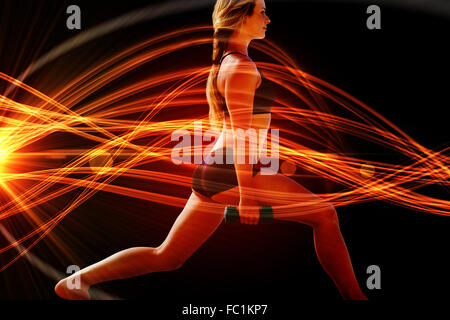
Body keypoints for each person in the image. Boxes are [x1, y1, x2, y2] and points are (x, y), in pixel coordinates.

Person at [55, 0, 367, 300]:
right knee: (325, 215)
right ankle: (354, 297)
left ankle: (77, 281)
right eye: (262, 12)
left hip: (218, 169)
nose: (268, 19)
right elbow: (241, 134)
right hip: (232, 171)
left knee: (167, 255)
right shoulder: (239, 67)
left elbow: (231, 127)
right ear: (240, 18)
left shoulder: (227, 64)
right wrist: (246, 196)